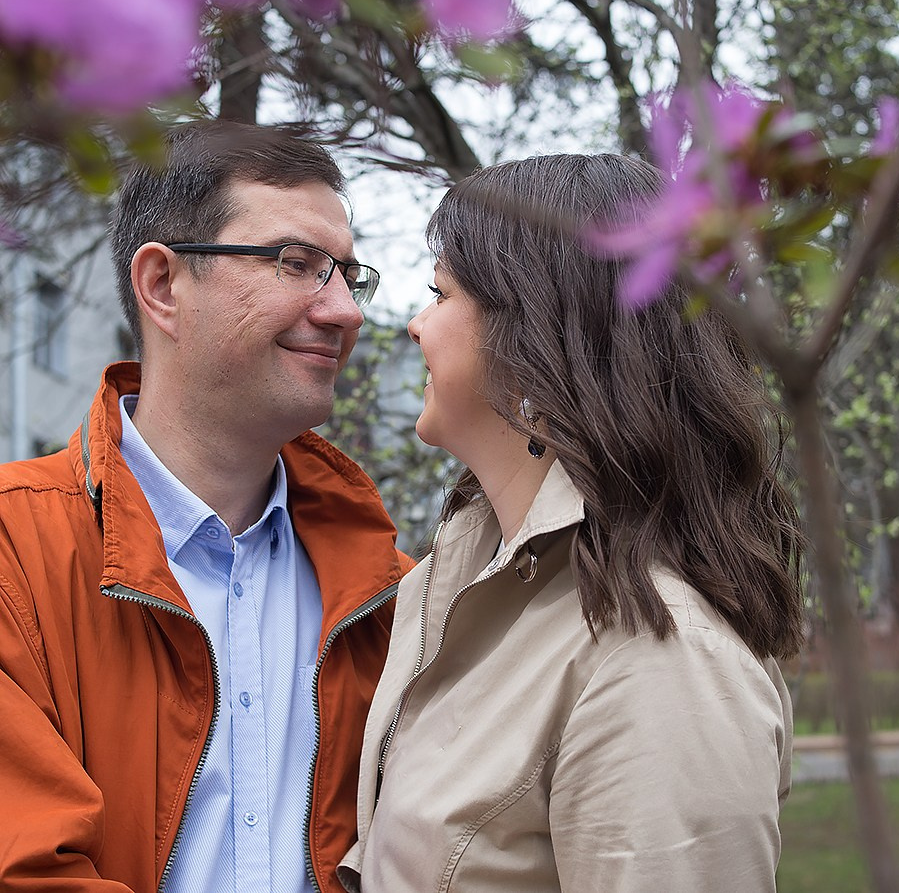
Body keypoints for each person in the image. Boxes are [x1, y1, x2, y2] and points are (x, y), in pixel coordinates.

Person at [338, 152, 805, 893]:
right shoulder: (459, 592)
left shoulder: (660, 660)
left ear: (532, 338)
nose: (414, 328)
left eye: (440, 293)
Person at [0, 120, 412, 893]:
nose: (345, 312)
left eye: (349, 278)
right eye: (298, 264)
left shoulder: (399, 599)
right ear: (162, 286)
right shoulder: (13, 551)